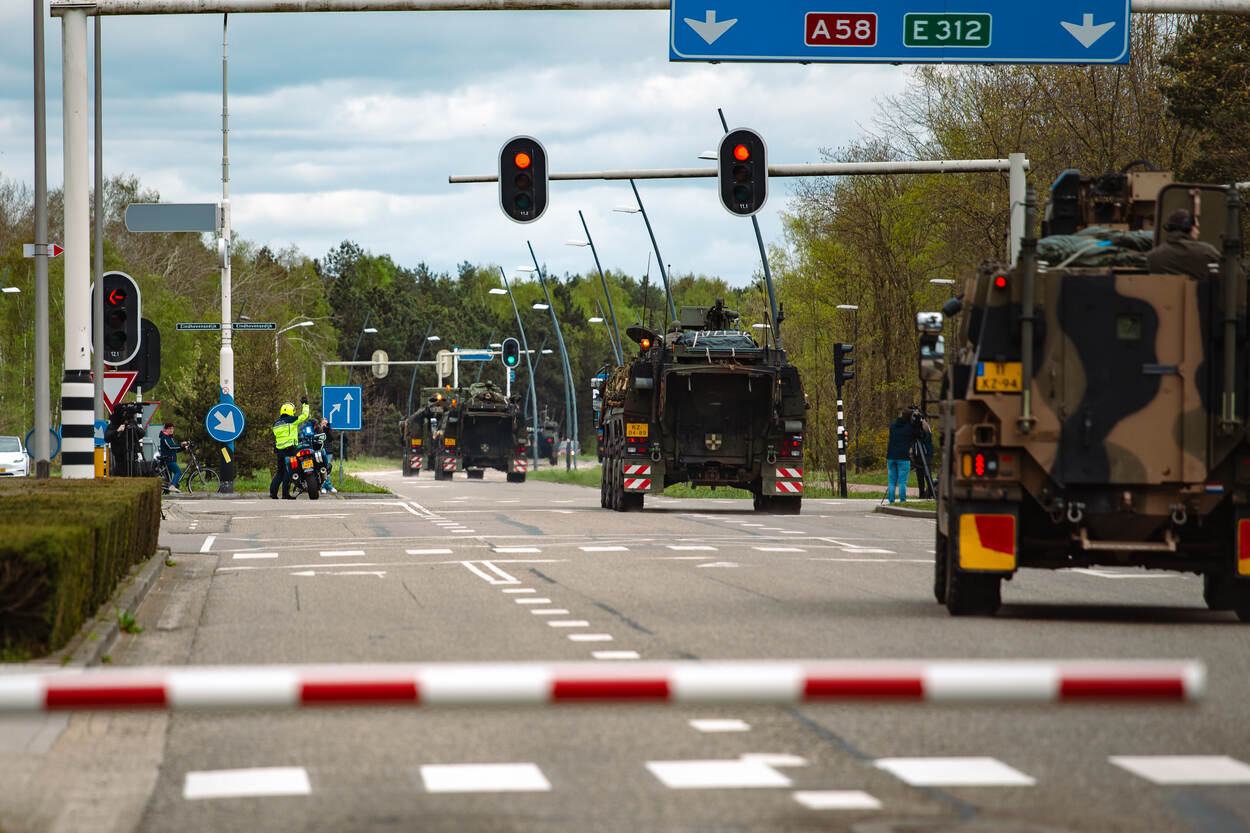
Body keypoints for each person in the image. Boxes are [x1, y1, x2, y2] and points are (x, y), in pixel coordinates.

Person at [1147, 209, 1221, 280]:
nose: (1198, 232)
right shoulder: (1207, 252)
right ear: (1188, 228)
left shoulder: (1153, 256)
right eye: (1196, 227)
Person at [886, 405, 931, 505]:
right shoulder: (909, 428)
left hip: (891, 456)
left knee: (892, 481)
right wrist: (918, 419)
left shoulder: (893, 426)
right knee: (902, 481)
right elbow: (918, 433)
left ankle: (891, 501)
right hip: (903, 457)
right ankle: (902, 501)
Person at [270, 396, 312, 499]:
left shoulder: (276, 424)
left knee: (279, 472)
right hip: (290, 450)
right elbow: (304, 415)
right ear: (291, 410)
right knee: (288, 473)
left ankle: (273, 493)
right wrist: (305, 404)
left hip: (280, 451)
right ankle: (285, 495)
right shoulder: (292, 420)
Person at [157, 422, 187, 492]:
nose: (171, 430)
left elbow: (174, 450)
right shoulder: (164, 437)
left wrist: (183, 448)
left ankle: (166, 493)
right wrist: (181, 445)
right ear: (165, 429)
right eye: (169, 428)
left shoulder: (169, 437)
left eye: (172, 428)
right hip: (169, 460)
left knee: (168, 480)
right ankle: (173, 486)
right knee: (178, 472)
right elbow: (171, 447)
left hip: (171, 459)